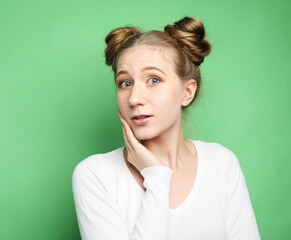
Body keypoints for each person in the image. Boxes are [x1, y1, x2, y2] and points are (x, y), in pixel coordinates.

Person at [72, 17, 261, 240]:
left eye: (153, 80)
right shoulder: (95, 175)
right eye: (125, 83)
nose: (134, 98)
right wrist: (157, 177)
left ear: (187, 92)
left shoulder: (221, 163)